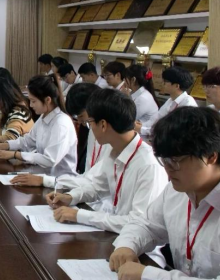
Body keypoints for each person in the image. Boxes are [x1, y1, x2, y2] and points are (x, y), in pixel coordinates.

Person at [109, 107, 220, 280]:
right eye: (164, 160)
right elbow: (146, 225)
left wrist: (149, 276)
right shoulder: (178, 189)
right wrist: (126, 246)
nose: (167, 170)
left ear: (212, 156)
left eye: (175, 161)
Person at [47, 89, 168, 233]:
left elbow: (138, 223)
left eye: (90, 122)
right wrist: (70, 197)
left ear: (103, 125)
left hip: (136, 243)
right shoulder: (115, 150)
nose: (90, 128)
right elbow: (97, 187)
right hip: (117, 234)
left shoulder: (148, 165)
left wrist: (80, 215)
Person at [11, 84, 109, 200]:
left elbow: (94, 183)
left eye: (81, 116)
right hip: (81, 190)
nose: (80, 121)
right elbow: (88, 178)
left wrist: (45, 181)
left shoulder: (63, 122)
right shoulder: (93, 130)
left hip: (94, 197)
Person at [0, 75, 78, 177]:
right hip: (42, 174)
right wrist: (4, 145)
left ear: (48, 100)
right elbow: (27, 141)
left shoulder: (61, 123)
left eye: (33, 101)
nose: (30, 105)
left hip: (59, 181)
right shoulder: (44, 117)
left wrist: (15, 154)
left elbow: (50, 160)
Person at [141, 66, 197, 138]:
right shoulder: (171, 100)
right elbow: (156, 119)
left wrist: (142, 129)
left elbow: (171, 130)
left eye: (165, 81)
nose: (162, 83)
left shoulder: (188, 104)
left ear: (177, 86)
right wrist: (141, 126)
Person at [124, 65, 159, 137]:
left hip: (144, 135)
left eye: (125, 78)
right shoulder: (135, 92)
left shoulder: (143, 98)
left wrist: (126, 98)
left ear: (133, 79)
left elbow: (127, 118)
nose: (124, 81)